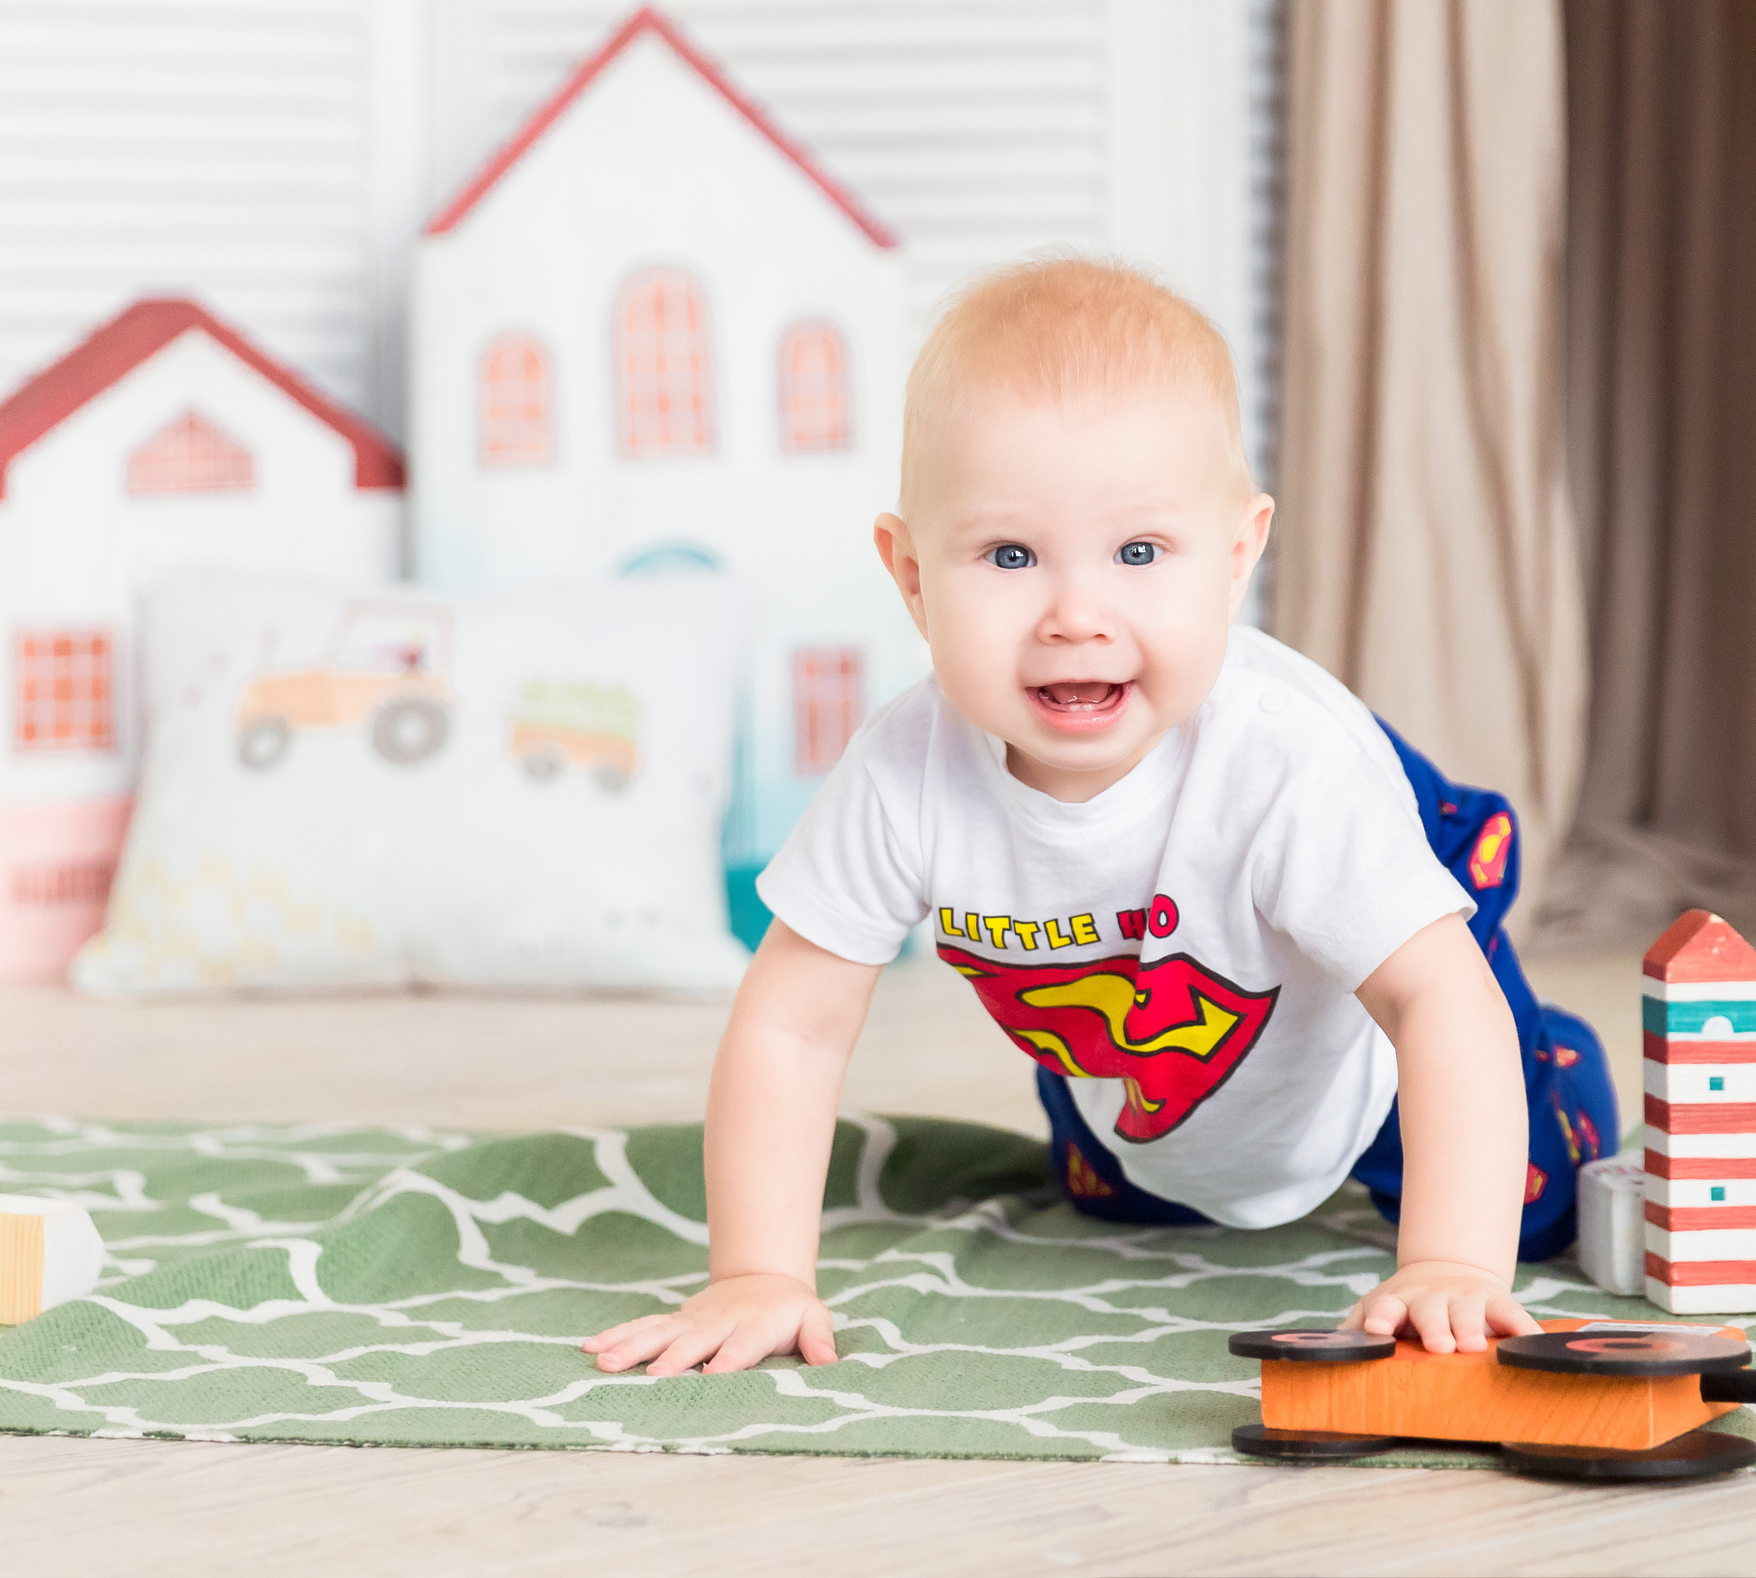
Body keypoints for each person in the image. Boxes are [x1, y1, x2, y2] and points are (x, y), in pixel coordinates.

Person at [583, 258, 1615, 1378]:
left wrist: (1451, 1262)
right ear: (912, 575)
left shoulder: (1288, 767)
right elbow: (792, 1023)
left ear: (1234, 559)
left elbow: (1432, 999)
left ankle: (1553, 1064)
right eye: (1010, 555)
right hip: (1131, 1050)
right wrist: (758, 1272)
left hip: (1370, 1059)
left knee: (1528, 1202)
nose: (1076, 615)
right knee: (1129, 1191)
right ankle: (1155, 1144)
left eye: (1137, 553)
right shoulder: (903, 774)